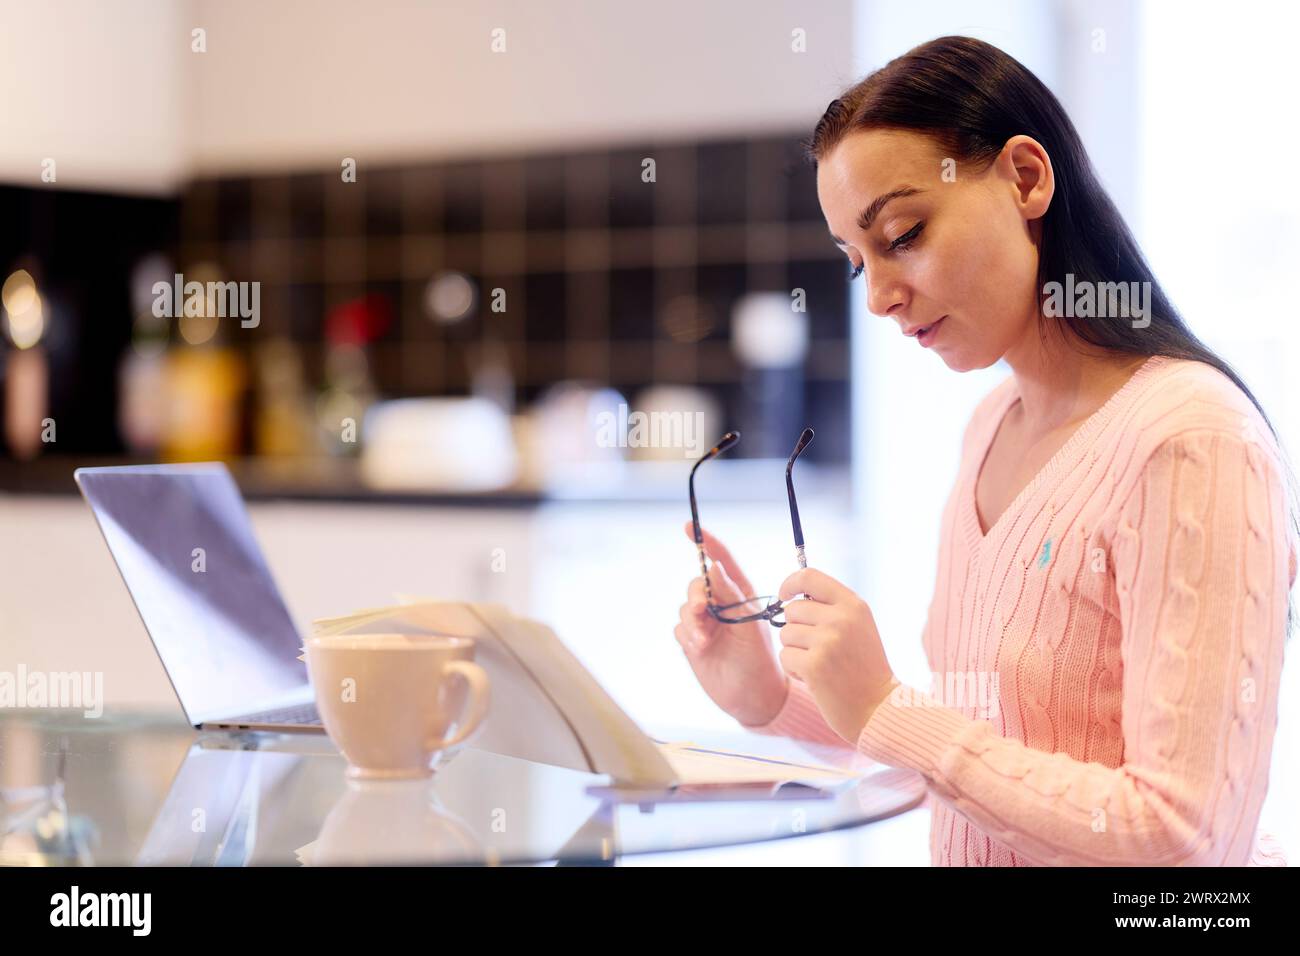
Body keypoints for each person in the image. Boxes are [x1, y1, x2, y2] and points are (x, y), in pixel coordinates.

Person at [675, 36, 1296, 867]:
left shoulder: (1189, 440)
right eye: (858, 262)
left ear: (1026, 178)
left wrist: (891, 706)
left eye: (903, 233)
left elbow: (1182, 841)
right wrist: (772, 697)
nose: (883, 298)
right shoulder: (991, 426)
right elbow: (994, 740)